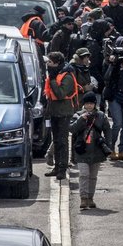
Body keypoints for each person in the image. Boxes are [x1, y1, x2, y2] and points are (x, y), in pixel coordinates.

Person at [69, 92, 112, 210]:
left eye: (91, 104)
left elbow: (108, 130)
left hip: (97, 151)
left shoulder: (101, 116)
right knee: (84, 174)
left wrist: (109, 146)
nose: (89, 106)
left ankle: (90, 198)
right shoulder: (78, 115)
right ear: (83, 104)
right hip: (81, 151)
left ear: (95, 104)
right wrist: (81, 120)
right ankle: (83, 198)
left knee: (93, 176)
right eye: (87, 104)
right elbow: (71, 129)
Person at [43, 52, 78, 180]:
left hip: (63, 113)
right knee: (57, 141)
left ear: (57, 63)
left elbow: (60, 94)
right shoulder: (56, 73)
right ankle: (57, 167)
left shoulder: (67, 76)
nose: (48, 65)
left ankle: (62, 169)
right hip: (54, 112)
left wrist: (52, 80)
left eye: (50, 62)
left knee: (63, 141)